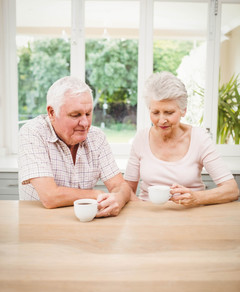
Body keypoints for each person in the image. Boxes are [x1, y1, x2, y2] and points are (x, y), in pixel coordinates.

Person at [18, 76, 131, 216]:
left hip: (82, 223)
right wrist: (97, 194)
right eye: (75, 115)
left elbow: (120, 186)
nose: (85, 123)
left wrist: (118, 199)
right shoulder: (33, 132)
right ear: (52, 113)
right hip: (38, 223)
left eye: (88, 113)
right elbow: (50, 197)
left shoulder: (97, 137)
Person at [124, 71, 239, 206]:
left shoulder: (199, 138)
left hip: (190, 215)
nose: (161, 120)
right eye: (155, 112)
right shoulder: (141, 138)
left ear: (183, 110)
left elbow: (232, 190)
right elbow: (127, 190)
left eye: (169, 112)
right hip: (150, 215)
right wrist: (142, 208)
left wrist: (197, 197)